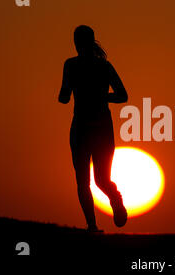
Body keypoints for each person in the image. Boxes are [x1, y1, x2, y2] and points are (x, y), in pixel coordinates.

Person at [59, 25, 128, 232]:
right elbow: (64, 95)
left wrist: (101, 97)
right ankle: (92, 225)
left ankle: (115, 199)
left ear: (87, 42)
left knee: (101, 179)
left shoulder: (104, 67)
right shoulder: (70, 65)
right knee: (82, 180)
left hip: (100, 128)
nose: (77, 45)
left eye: (79, 40)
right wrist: (65, 94)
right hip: (80, 126)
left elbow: (123, 95)